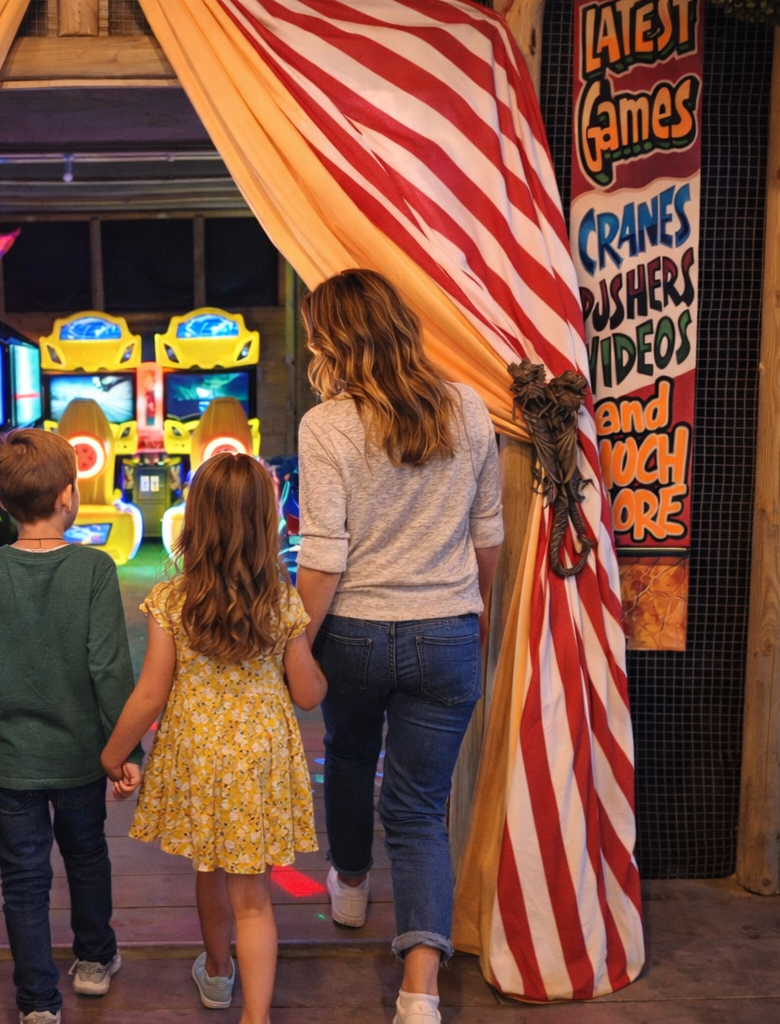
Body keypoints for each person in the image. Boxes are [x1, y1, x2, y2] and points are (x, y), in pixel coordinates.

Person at [293, 269, 502, 1024]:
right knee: (418, 810)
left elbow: (323, 558)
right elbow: (488, 539)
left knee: (348, 757)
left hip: (353, 634)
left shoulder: (328, 426)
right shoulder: (470, 409)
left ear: (334, 339)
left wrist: (296, 648)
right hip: (447, 633)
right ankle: (419, 993)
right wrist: (473, 615)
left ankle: (350, 886)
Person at [100, 453, 326, 1024]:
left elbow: (150, 693)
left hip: (198, 755)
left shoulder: (172, 599)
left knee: (209, 867)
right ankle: (257, 1014)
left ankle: (219, 974)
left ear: (194, 519)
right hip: (259, 756)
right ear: (265, 522)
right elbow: (307, 694)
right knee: (252, 895)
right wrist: (319, 663)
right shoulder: (281, 598)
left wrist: (112, 752)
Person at [0, 429, 137, 1024]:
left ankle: (38, 1003)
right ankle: (94, 961)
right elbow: (110, 672)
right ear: (69, 495)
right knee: (88, 855)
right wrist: (127, 751)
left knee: (23, 878)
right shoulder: (94, 569)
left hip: (11, 764)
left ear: (3, 500)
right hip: (80, 758)